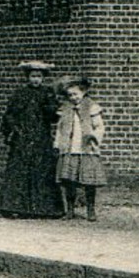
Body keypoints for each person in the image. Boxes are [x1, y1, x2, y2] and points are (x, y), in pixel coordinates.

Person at [0, 61, 64, 218]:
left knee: (42, 170)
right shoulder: (20, 93)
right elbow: (10, 114)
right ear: (28, 77)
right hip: (23, 137)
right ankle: (16, 206)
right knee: (19, 170)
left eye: (39, 76)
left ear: (43, 78)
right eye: (33, 76)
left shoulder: (47, 93)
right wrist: (14, 129)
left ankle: (43, 208)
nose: (35, 80)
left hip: (41, 137)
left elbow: (54, 117)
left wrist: (51, 108)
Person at [55, 76, 107, 221]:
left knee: (89, 181)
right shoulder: (66, 109)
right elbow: (60, 128)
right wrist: (58, 144)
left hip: (86, 149)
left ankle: (91, 209)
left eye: (76, 94)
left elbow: (99, 126)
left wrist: (94, 138)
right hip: (70, 148)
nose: (73, 98)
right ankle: (70, 209)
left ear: (83, 92)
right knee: (68, 180)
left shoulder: (91, 107)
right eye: (70, 95)